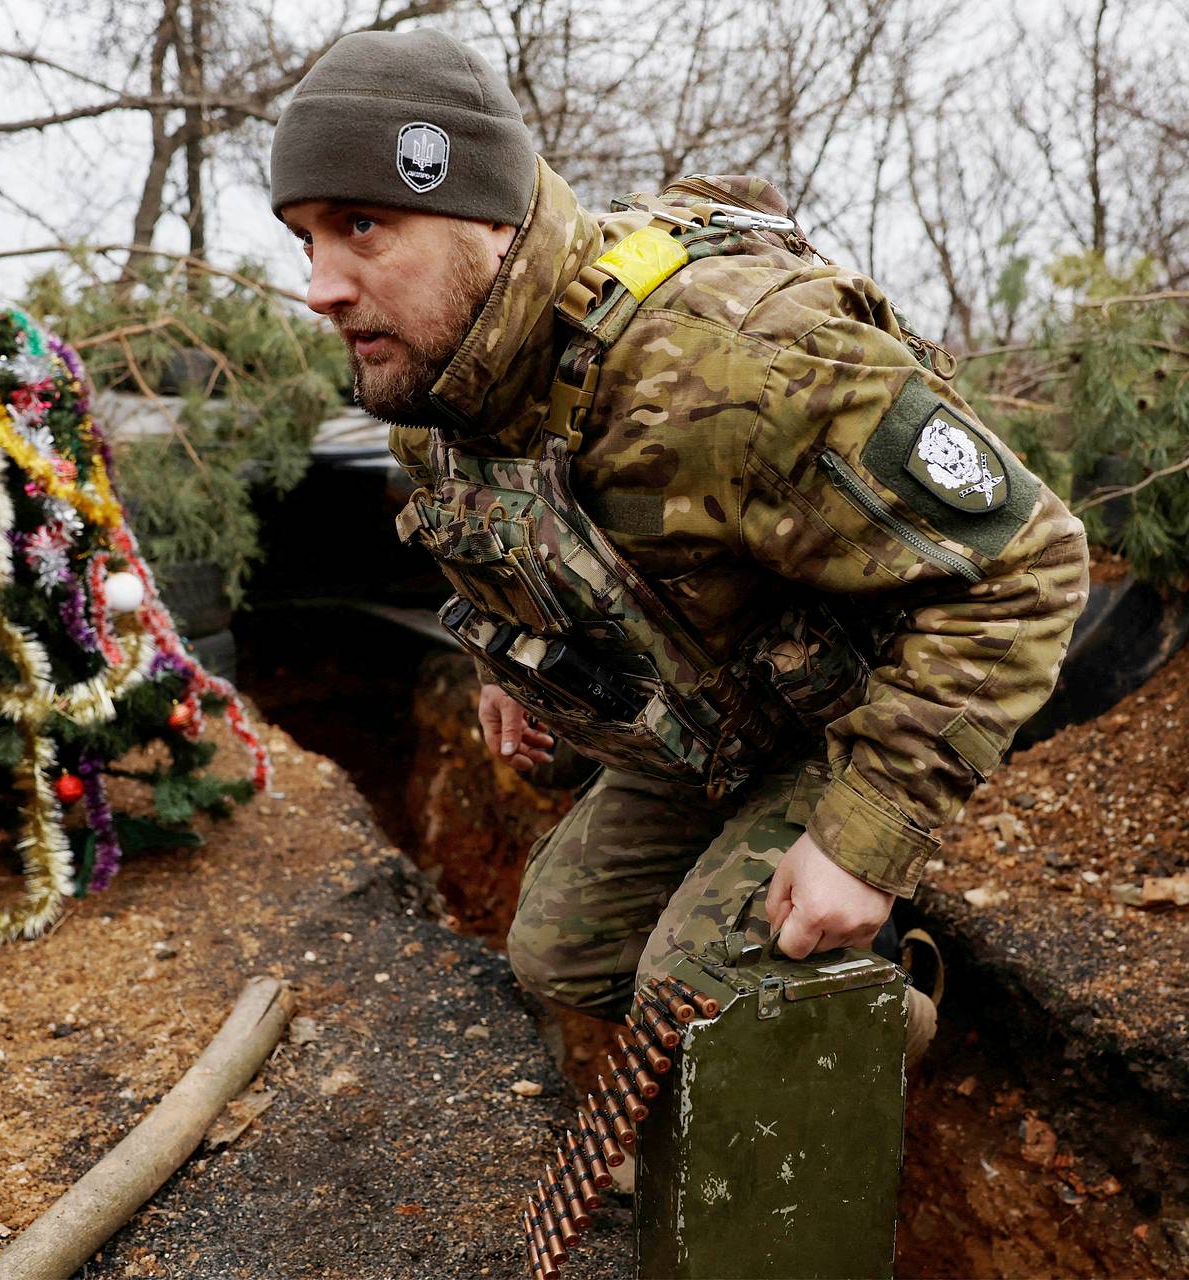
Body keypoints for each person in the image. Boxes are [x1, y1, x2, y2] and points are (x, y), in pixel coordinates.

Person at [269, 29, 1088, 1064]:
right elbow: (523, 537)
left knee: (696, 991)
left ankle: (876, 1004)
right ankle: (762, 1019)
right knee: (557, 953)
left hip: (848, 711)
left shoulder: (728, 358)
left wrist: (861, 839)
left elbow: (1032, 561)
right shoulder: (436, 388)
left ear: (487, 215)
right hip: (707, 716)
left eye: (362, 225)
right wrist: (505, 666)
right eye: (306, 238)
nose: (320, 285)